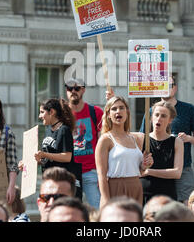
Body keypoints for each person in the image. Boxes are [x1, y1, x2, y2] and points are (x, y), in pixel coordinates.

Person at [140, 75, 194, 204]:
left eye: (169, 85)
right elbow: (142, 139)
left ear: (175, 88)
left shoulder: (188, 109)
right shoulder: (151, 110)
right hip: (157, 170)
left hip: (183, 167)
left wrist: (188, 138)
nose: (159, 118)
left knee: (187, 204)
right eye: (161, 85)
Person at [95, 96, 153, 208]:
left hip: (136, 186)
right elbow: (101, 175)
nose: (118, 111)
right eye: (114, 109)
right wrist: (106, 200)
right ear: (108, 115)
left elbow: (140, 171)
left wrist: (145, 165)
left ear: (127, 112)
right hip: (115, 187)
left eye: (121, 108)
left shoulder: (135, 138)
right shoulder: (105, 139)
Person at [65, 78, 103, 209]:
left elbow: (104, 143)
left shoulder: (96, 112)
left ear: (83, 90)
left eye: (77, 88)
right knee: (71, 211)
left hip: (91, 171)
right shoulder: (62, 115)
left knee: (97, 210)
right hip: (70, 172)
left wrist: (102, 172)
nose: (73, 91)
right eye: (70, 88)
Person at [140, 101, 183, 203]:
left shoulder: (176, 142)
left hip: (166, 195)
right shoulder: (141, 139)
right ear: (151, 117)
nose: (159, 118)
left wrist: (149, 172)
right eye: (156, 115)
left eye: (163, 116)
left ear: (170, 120)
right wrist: (143, 166)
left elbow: (177, 173)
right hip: (143, 195)